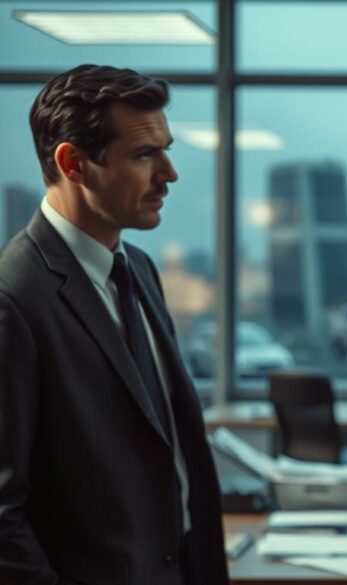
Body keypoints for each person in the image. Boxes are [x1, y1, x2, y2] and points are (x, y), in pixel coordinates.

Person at [0, 65, 228, 584]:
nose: (169, 173)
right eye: (145, 155)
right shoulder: (13, 299)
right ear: (73, 163)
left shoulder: (140, 270)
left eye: (165, 149)